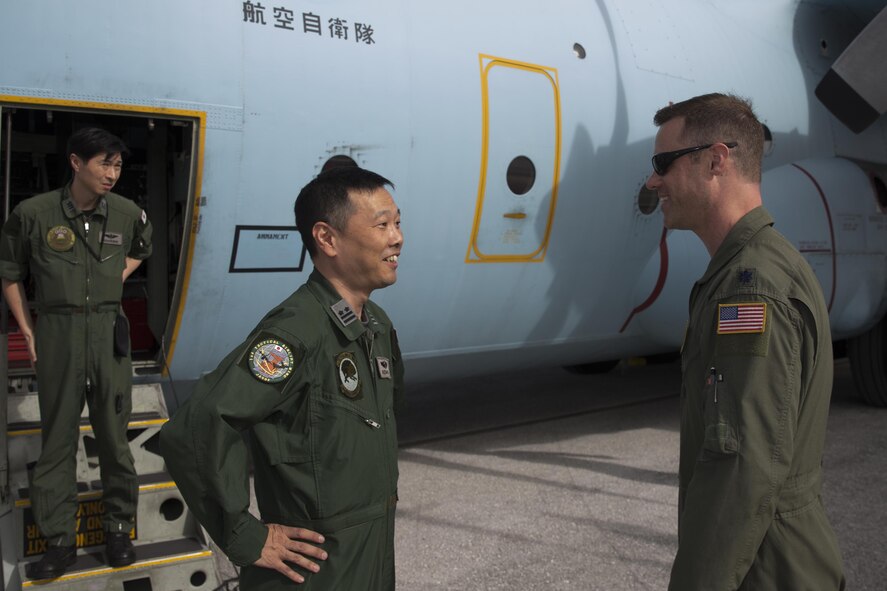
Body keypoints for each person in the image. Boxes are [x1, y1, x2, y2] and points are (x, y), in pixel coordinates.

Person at [160, 166, 404, 589]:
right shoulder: (296, 331)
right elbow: (197, 427)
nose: (396, 237)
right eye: (382, 225)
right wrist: (246, 536)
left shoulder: (375, 325)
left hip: (368, 560)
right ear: (327, 238)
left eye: (398, 223)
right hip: (313, 573)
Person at [645, 93, 845, 590]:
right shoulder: (746, 272)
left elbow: (741, 468)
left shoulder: (752, 290)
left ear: (716, 160)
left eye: (662, 164)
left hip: (766, 571)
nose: (653, 182)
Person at [0, 127, 153, 579]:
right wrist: (28, 333)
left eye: (118, 165)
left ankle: (119, 530)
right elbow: (9, 272)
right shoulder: (33, 213)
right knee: (58, 442)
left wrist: (114, 279)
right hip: (58, 332)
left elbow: (142, 249)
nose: (112, 173)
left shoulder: (128, 214)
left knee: (114, 438)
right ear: (75, 163)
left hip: (108, 334)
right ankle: (59, 542)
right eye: (104, 163)